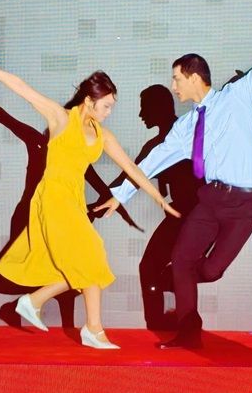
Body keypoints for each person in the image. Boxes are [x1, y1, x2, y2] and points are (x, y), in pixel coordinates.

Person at [96, 14, 252, 349]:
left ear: (194, 77)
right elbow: (152, 161)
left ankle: (179, 282)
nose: (174, 86)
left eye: (177, 78)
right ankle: (189, 331)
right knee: (182, 259)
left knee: (210, 271)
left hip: (247, 203)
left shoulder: (236, 96)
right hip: (211, 200)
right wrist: (120, 194)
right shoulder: (185, 128)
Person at [0, 50, 180, 349]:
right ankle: (91, 329)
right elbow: (22, 88)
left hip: (73, 202)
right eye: (106, 106)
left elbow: (133, 168)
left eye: (111, 107)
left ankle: (36, 302)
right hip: (51, 198)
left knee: (91, 262)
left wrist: (159, 199)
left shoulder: (102, 135)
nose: (109, 112)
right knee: (91, 256)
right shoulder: (61, 118)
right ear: (89, 100)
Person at [92, 85, 202, 330]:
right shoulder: (165, 139)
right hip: (191, 214)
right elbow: (129, 177)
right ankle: (173, 321)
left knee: (155, 268)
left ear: (158, 107)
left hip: (191, 214)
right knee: (164, 268)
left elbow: (128, 177)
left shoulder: (171, 138)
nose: (141, 114)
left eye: (145, 108)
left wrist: (95, 206)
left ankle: (162, 323)